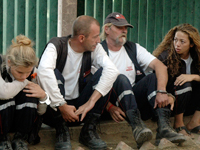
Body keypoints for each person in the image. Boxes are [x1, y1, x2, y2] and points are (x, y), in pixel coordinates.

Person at [100, 12, 186, 146]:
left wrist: (162, 92)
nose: (124, 31)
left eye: (125, 28)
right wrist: (109, 107)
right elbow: (91, 84)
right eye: (119, 27)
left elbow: (161, 67)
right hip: (113, 103)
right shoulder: (99, 51)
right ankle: (137, 127)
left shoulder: (133, 48)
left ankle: (164, 127)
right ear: (107, 29)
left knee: (152, 77)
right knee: (121, 78)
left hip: (134, 102)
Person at [37, 15, 119, 150]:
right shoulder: (56, 45)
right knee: (54, 74)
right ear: (81, 38)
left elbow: (112, 70)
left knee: (103, 74)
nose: (99, 40)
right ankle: (61, 131)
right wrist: (61, 105)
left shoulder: (94, 48)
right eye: (95, 36)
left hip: (80, 109)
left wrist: (90, 102)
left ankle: (88, 131)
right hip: (54, 110)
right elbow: (43, 71)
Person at [0, 35, 49, 150]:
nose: (24, 76)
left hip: (20, 122)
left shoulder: (34, 71)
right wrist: (25, 82)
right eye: (20, 72)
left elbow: (42, 111)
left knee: (31, 95)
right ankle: (2, 139)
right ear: (9, 62)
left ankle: (20, 138)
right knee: (6, 98)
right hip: (3, 119)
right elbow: (3, 93)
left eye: (27, 73)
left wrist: (43, 96)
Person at [153, 23, 200, 138]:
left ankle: (194, 122)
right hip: (169, 102)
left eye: (182, 41)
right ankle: (178, 124)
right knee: (185, 83)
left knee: (191, 81)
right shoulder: (165, 57)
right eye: (175, 40)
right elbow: (155, 83)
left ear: (192, 44)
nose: (177, 44)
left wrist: (194, 76)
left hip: (189, 103)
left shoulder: (197, 56)